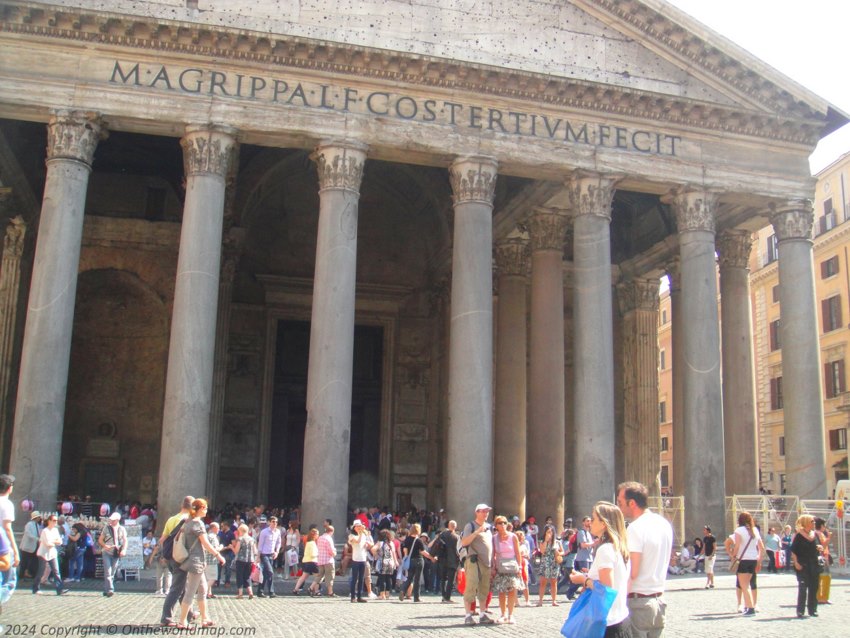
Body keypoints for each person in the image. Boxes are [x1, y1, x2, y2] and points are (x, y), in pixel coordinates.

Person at [616, 481, 673, 638]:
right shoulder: (664, 524)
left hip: (638, 602)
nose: (619, 507)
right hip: (659, 600)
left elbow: (632, 572)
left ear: (632, 503)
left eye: (620, 502)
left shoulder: (635, 528)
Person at [569, 502, 630, 638]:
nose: (590, 522)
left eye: (594, 519)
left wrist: (583, 580)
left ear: (604, 524)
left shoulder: (605, 549)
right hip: (619, 618)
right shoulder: (617, 547)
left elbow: (606, 589)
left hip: (608, 623)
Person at [176, 499, 225, 629]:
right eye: (205, 508)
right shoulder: (198, 523)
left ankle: (205, 618)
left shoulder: (188, 521)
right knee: (191, 591)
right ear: (199, 509)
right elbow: (205, 543)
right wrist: (218, 555)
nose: (206, 510)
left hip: (196, 560)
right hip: (195, 561)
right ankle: (182, 621)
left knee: (203, 589)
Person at [159, 495, 196, 627]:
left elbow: (162, 539)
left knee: (181, 586)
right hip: (181, 557)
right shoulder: (188, 521)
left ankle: (190, 614)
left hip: (170, 557)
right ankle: (166, 617)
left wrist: (163, 555)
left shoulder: (171, 519)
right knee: (176, 588)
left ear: (182, 505)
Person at [460, 503, 496, 625]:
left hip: (487, 563)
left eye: (487, 511)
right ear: (477, 512)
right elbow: (464, 542)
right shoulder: (470, 526)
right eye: (483, 511)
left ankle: (482, 614)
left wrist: (493, 561)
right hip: (473, 561)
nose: (486, 513)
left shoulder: (489, 527)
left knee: (484, 588)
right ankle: (468, 615)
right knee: (471, 586)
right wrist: (477, 532)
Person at [490, 515, 524, 624]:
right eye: (500, 523)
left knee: (512, 591)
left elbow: (518, 553)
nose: (503, 525)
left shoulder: (513, 536)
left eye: (505, 522)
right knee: (501, 591)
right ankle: (503, 614)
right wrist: (493, 566)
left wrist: (520, 567)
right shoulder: (494, 538)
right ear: (496, 526)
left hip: (512, 566)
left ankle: (511, 615)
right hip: (500, 566)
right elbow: (493, 554)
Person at [731, 511, 764, 617]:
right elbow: (761, 548)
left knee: (744, 586)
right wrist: (759, 560)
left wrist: (733, 556)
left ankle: (750, 608)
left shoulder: (739, 530)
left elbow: (737, 546)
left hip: (743, 559)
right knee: (748, 584)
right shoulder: (755, 530)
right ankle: (749, 605)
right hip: (753, 559)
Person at [790, 514, 821, 618]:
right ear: (807, 523)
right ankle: (800, 610)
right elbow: (793, 550)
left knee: (814, 587)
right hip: (802, 564)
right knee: (803, 588)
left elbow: (817, 546)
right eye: (812, 521)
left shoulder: (814, 534)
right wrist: (796, 562)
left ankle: (813, 610)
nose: (814, 523)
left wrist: (819, 547)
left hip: (814, 564)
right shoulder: (799, 535)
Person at [32, 514, 69, 596]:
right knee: (41, 572)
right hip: (43, 553)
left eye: (56, 521)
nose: (55, 522)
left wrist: (54, 541)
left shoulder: (55, 530)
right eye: (54, 520)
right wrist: (55, 541)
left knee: (56, 571)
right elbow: (48, 543)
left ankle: (59, 590)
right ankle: (35, 588)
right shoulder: (45, 531)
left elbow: (60, 542)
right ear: (49, 521)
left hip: (52, 553)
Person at [398, 522, 435, 602]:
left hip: (410, 561)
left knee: (409, 578)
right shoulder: (418, 540)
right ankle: (416, 597)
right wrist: (431, 558)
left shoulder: (407, 539)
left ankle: (403, 590)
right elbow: (423, 552)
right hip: (418, 560)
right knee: (417, 580)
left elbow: (405, 551)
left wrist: (406, 557)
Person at [98, 512, 128, 597]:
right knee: (108, 571)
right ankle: (110, 589)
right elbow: (100, 540)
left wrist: (124, 550)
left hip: (116, 552)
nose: (111, 521)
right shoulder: (106, 528)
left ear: (117, 520)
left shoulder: (122, 529)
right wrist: (104, 545)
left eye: (113, 520)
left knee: (113, 572)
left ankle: (106, 589)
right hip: (106, 552)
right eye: (111, 520)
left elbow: (125, 540)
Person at [566, 516, 594, 600]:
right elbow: (583, 545)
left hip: (589, 557)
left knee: (587, 577)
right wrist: (594, 543)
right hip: (582, 558)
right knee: (583, 577)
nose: (589, 523)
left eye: (590, 521)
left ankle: (583, 594)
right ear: (583, 522)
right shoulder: (581, 532)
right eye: (587, 521)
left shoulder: (589, 533)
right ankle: (570, 592)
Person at [0, 474, 18, 604]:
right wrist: (15, 550)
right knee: (8, 582)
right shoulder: (7, 504)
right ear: (10, 487)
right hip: (4, 547)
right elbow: (7, 528)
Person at [536, 526, 563, 606]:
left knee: (554, 582)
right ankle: (540, 600)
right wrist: (546, 541)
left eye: (551, 532)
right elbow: (542, 551)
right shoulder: (542, 541)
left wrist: (559, 553)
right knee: (543, 582)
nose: (549, 533)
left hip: (554, 563)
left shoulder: (557, 542)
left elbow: (563, 551)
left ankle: (554, 600)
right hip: (545, 563)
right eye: (548, 532)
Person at [256, 515, 281, 598]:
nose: (275, 523)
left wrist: (277, 552)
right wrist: (258, 556)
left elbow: (278, 542)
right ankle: (271, 591)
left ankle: (261, 591)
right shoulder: (264, 532)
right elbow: (260, 544)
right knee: (270, 571)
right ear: (269, 522)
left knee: (266, 573)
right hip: (264, 554)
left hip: (271, 554)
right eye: (273, 522)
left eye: (276, 522)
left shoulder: (277, 532)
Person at [435, 520, 459, 603]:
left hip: (442, 559)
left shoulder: (442, 535)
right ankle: (447, 597)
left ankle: (443, 596)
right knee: (450, 580)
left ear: (448, 526)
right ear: (455, 527)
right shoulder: (456, 537)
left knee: (443, 579)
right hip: (452, 560)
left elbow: (436, 546)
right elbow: (458, 550)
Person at [232, 523, 258, 599]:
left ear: (241, 531)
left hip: (240, 560)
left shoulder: (240, 539)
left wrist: (231, 547)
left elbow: (236, 551)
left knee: (239, 576)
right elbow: (255, 551)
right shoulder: (252, 539)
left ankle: (240, 594)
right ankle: (250, 592)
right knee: (247, 576)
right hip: (250, 560)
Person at [349, 520, 371, 602]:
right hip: (356, 559)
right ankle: (353, 597)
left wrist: (367, 545)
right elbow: (357, 541)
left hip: (363, 558)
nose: (359, 528)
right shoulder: (351, 536)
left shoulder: (364, 535)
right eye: (357, 526)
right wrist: (362, 532)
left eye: (359, 526)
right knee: (354, 578)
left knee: (361, 578)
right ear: (354, 527)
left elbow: (368, 544)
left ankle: (359, 596)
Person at [311, 524, 336, 596]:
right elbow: (331, 551)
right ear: (332, 531)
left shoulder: (320, 537)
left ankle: (311, 588)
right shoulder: (329, 538)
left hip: (321, 560)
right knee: (330, 576)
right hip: (328, 560)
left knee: (319, 576)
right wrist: (335, 553)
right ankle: (330, 592)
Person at [372, 529, 398, 599]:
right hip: (390, 562)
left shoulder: (380, 543)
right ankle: (387, 594)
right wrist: (396, 562)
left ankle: (382, 595)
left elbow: (373, 549)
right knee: (388, 578)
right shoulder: (391, 543)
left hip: (382, 562)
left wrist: (376, 555)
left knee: (382, 579)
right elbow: (393, 553)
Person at [292, 527, 319, 595]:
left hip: (306, 561)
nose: (318, 536)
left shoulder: (308, 542)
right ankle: (315, 591)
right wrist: (318, 554)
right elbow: (313, 554)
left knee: (303, 577)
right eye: (317, 534)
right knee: (318, 577)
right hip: (312, 562)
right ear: (314, 535)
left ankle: (296, 589)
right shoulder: (312, 543)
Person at [19, 512, 42, 580]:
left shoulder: (37, 525)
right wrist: (37, 539)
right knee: (24, 562)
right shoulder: (29, 524)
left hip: (33, 547)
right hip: (26, 547)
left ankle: (28, 573)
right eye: (38, 517)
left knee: (31, 561)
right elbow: (28, 534)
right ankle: (21, 575)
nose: (39, 518)